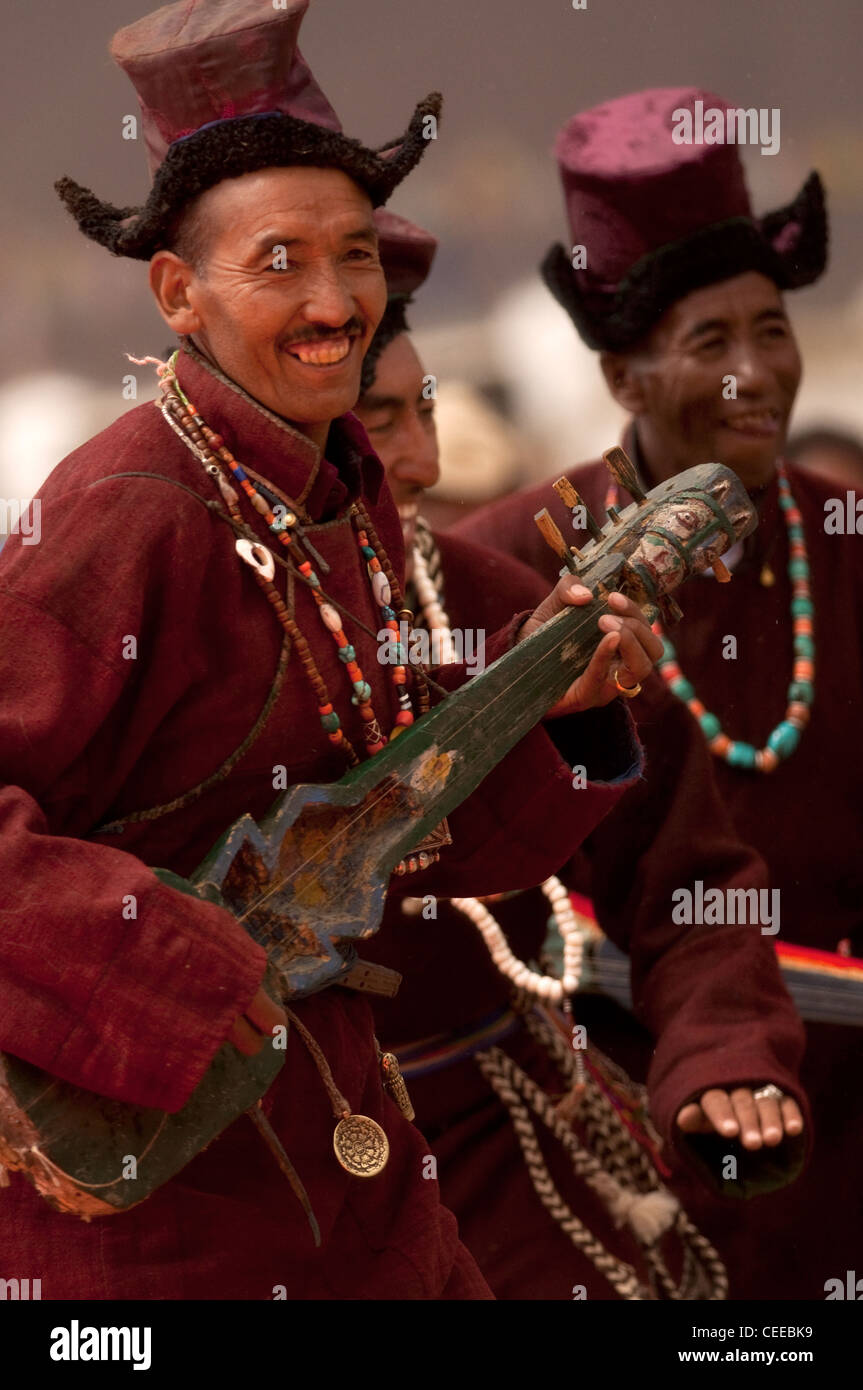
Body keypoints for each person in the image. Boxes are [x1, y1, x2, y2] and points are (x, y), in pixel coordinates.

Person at [0, 2, 665, 1301]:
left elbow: (397, 838)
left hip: (343, 1158)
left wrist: (554, 707)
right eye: (278, 262)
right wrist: (171, 968)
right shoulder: (124, 513)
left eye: (354, 257)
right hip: (154, 1204)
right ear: (177, 293)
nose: (329, 303)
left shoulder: (326, 495)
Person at [352, 209, 810, 1301]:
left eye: (423, 412)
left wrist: (718, 1050)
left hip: (503, 1138)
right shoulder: (176, 605)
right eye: (376, 420)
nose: (421, 457)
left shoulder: (495, 597)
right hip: (241, 1166)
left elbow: (686, 875)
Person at [456, 86, 863, 1300]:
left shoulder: (846, 543)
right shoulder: (510, 562)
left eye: (771, 330)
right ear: (624, 380)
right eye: (707, 344)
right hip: (603, 1124)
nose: (754, 374)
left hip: (847, 1124)